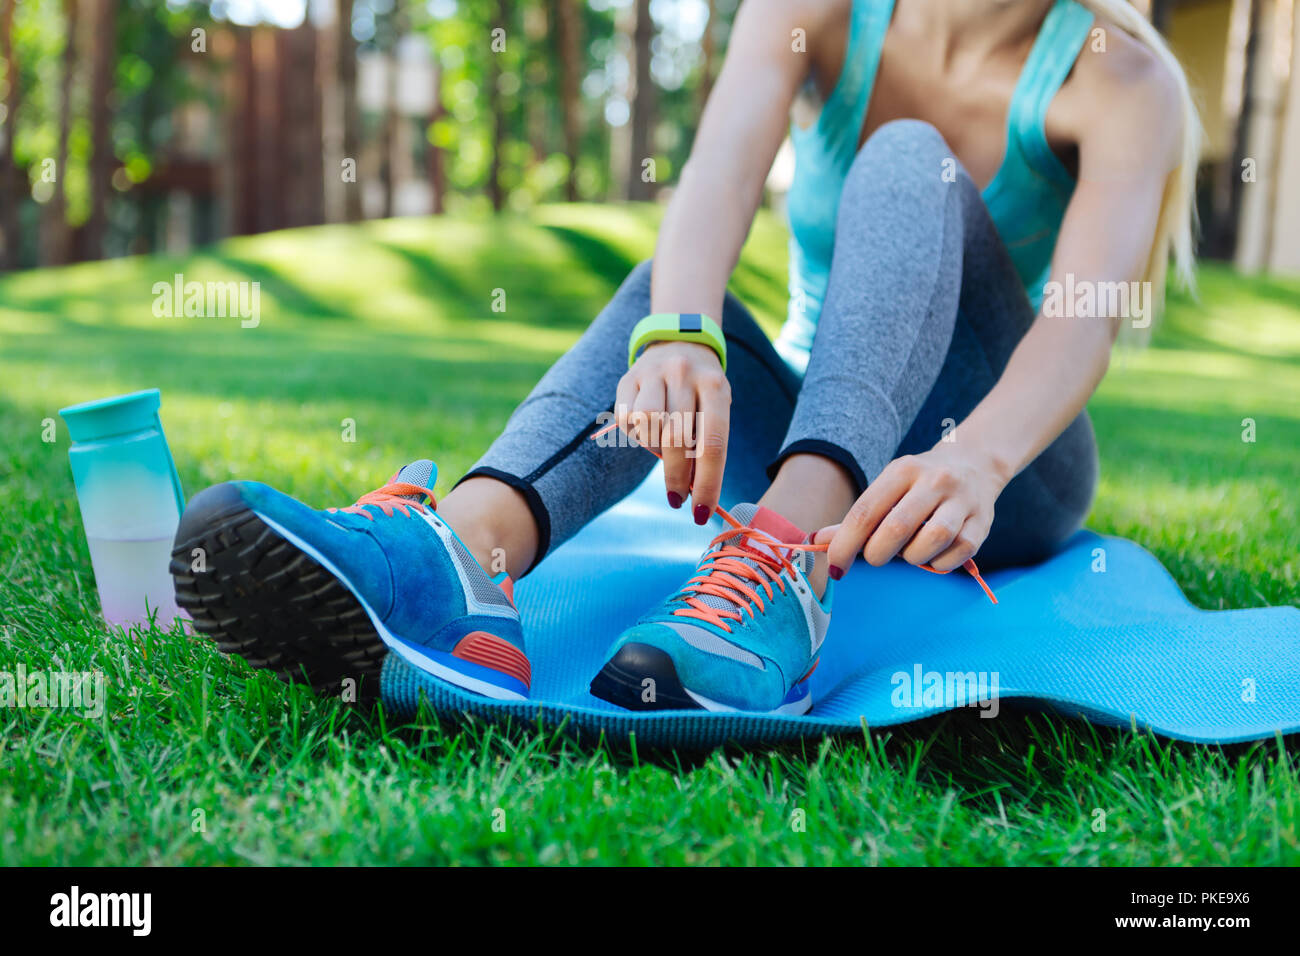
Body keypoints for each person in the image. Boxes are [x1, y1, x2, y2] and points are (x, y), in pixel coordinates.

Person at [172, 0, 1199, 715]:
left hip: (995, 474)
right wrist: (681, 336)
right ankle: (467, 559)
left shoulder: (1124, 80)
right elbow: (715, 175)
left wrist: (976, 458)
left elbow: (1081, 320)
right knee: (662, 298)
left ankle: (780, 572)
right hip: (819, 421)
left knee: (904, 157)